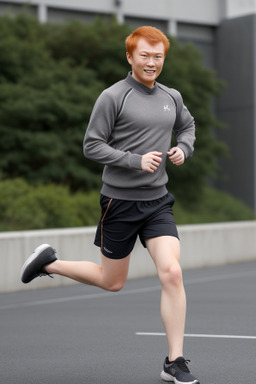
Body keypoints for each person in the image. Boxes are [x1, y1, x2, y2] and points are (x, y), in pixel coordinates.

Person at [21, 26, 199, 384]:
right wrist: (134, 160)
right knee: (112, 281)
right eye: (144, 56)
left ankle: (174, 361)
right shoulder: (113, 97)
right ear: (130, 57)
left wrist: (184, 148)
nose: (151, 62)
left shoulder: (171, 96)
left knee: (172, 272)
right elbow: (92, 145)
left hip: (158, 202)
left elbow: (189, 126)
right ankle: (50, 262)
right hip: (119, 202)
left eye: (158, 56)